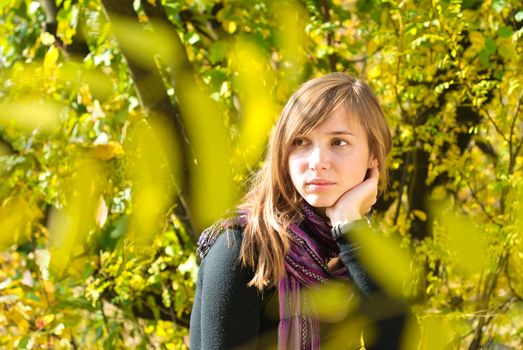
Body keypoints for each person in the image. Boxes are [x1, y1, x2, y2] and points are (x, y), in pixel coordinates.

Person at [190, 73, 414, 349]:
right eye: (301, 142)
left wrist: (348, 227)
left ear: (373, 156)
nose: (317, 162)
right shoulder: (241, 247)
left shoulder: (354, 249)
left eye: (338, 142)